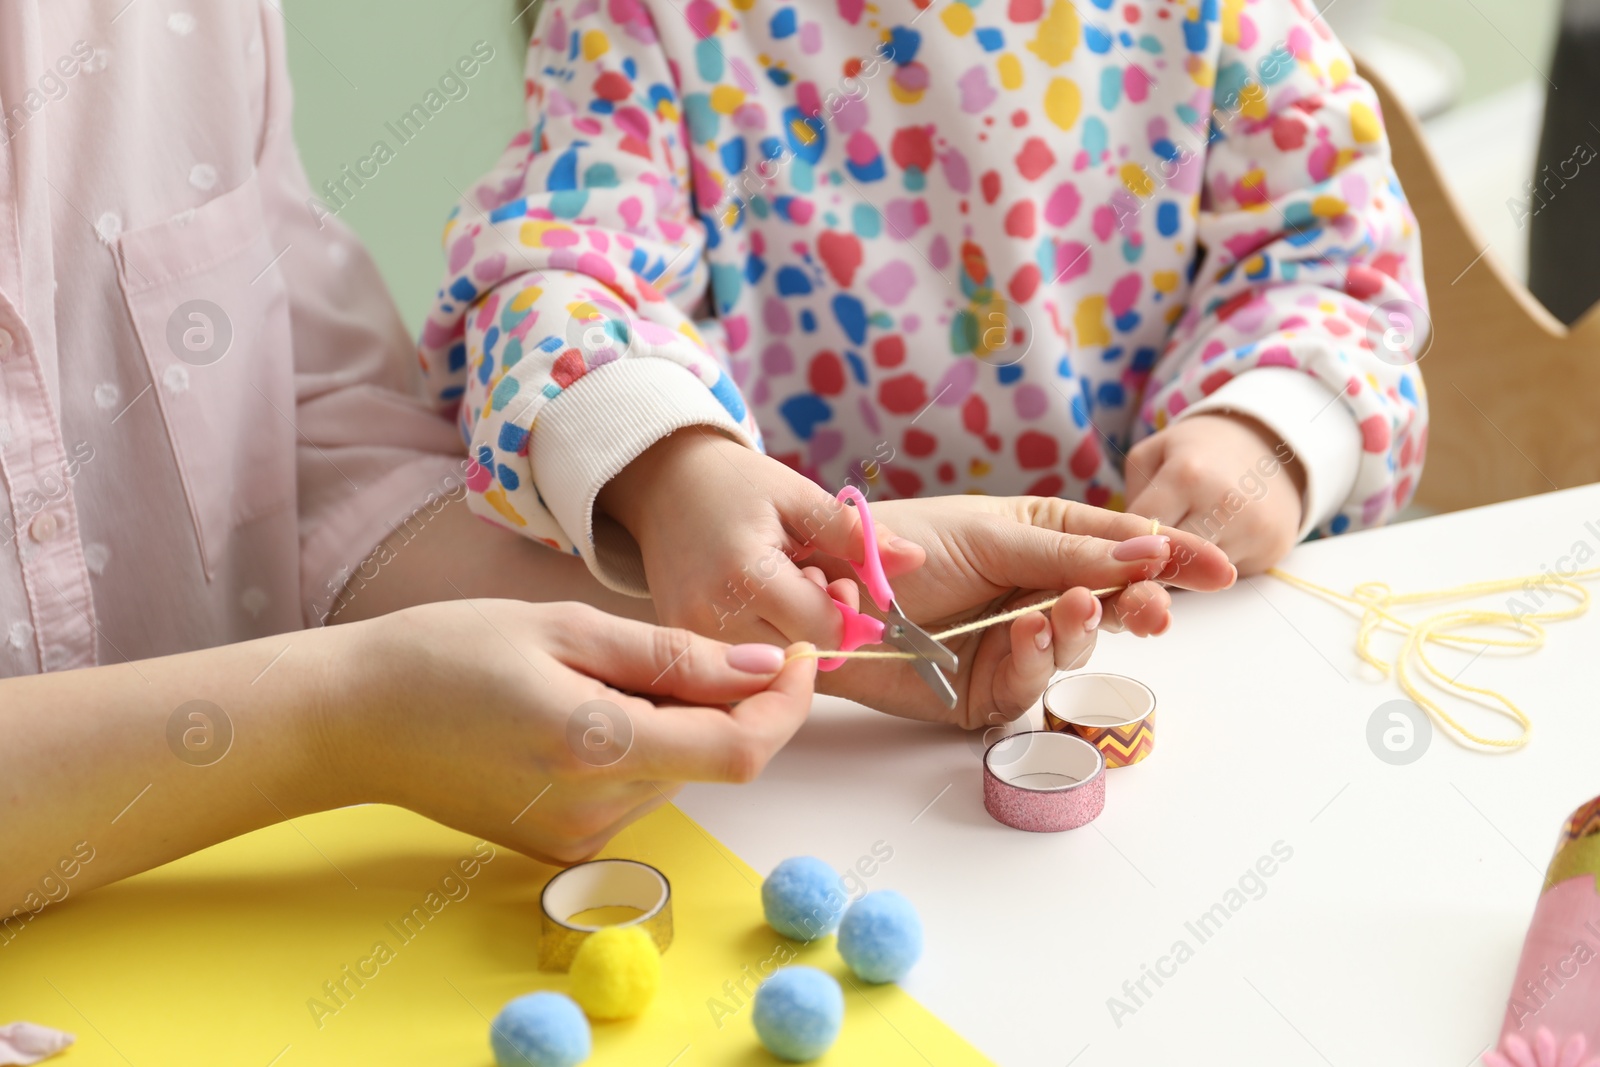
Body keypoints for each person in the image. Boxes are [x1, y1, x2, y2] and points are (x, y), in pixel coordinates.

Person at [0, 1, 1234, 910]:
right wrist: (339, 714)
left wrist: (761, 605)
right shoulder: (651, 32)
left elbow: (303, 434)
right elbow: (550, 267)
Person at [417, 0, 1429, 654]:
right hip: (806, 661)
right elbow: (553, 276)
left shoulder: (1220, 18)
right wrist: (667, 470)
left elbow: (1335, 264)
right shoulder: (641, 23)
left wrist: (1270, 426)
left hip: (1161, 644)